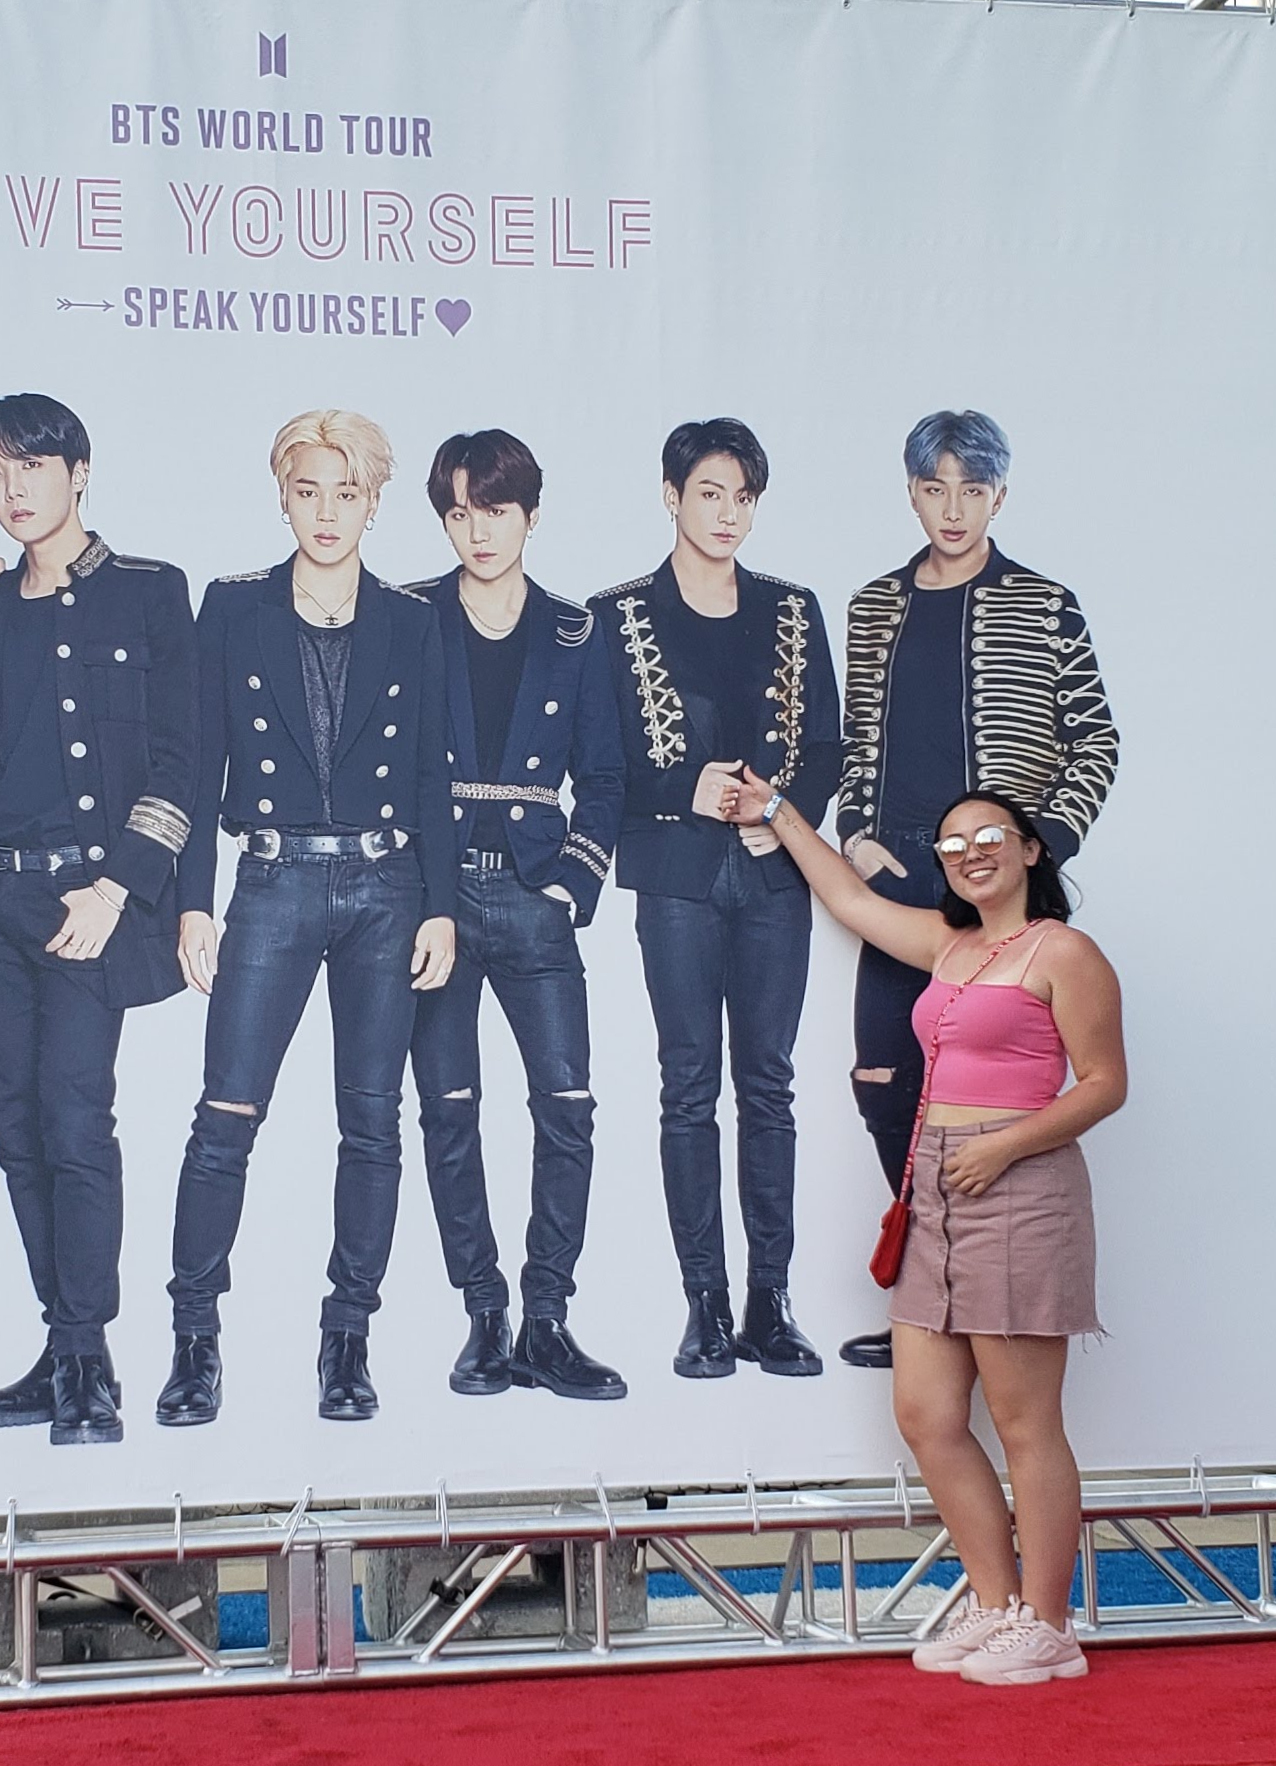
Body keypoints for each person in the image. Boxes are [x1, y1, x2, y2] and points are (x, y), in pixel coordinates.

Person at [728, 773, 1126, 1688]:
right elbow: (851, 897)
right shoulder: (948, 946)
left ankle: (1052, 1625)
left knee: (1027, 1424)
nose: (969, 852)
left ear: (1030, 850)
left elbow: (1104, 1082)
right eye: (952, 842)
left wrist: (1005, 1148)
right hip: (936, 1194)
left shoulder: (1063, 951)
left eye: (990, 836)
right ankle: (996, 1607)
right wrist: (778, 812)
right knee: (927, 1415)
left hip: (1019, 1191)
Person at [159, 408, 461, 1428]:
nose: (326, 513)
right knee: (225, 1117)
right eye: (308, 490)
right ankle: (194, 1343)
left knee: (373, 1126)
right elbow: (197, 767)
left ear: (375, 501)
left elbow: (435, 774)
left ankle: (348, 1342)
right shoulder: (232, 608)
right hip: (272, 878)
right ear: (282, 494)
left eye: (347, 492)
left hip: (388, 890)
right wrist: (192, 900)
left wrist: (444, 909)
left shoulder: (416, 622)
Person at [0, 393, 198, 1447]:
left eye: (31, 465)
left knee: (77, 1123)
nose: (13, 489)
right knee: (16, 1130)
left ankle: (90, 1360)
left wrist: (121, 887)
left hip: (88, 899)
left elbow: (182, 756)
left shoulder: (151, 594)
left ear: (80, 470)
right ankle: (60, 1348)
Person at [823, 410, 1119, 1371]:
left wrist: (1042, 842)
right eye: (934, 488)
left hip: (995, 862)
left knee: (991, 1085)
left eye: (972, 489)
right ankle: (924, 1281)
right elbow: (855, 735)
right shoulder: (873, 606)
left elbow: (1096, 740)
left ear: (1000, 494)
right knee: (885, 1076)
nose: (952, 509)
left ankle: (979, 1291)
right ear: (911, 492)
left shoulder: (1044, 601)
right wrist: (857, 835)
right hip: (906, 861)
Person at [590, 418, 840, 1381]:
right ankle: (704, 1303)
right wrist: (680, 791)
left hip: (775, 875)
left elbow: (824, 743)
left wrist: (781, 812)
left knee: (767, 1086)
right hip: (678, 881)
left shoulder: (790, 608)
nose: (727, 514)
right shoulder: (619, 616)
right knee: (689, 1086)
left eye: (742, 497)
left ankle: (769, 1302)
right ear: (670, 495)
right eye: (709, 493)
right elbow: (600, 766)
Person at [404, 429, 628, 1402]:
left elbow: (609, 777)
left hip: (537, 898)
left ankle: (548, 1319)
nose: (477, 530)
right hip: (437, 902)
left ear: (529, 515)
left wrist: (572, 885)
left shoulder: (579, 633)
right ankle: (483, 1320)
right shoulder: (407, 618)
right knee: (449, 1115)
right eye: (457, 511)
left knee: (567, 1111)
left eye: (494, 509)